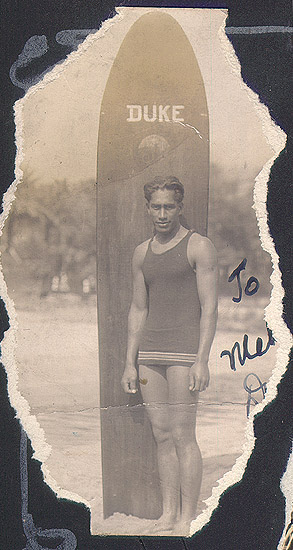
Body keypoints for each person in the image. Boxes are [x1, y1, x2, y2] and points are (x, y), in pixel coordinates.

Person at [121, 176, 218, 535]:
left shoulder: (199, 246)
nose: (162, 213)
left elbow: (210, 308)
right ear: (148, 208)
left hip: (183, 354)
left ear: (179, 207)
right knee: (161, 435)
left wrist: (202, 359)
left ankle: (187, 517)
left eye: (169, 206)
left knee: (182, 435)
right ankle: (168, 513)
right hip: (149, 355)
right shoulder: (141, 252)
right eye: (156, 206)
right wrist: (130, 362)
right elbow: (137, 308)